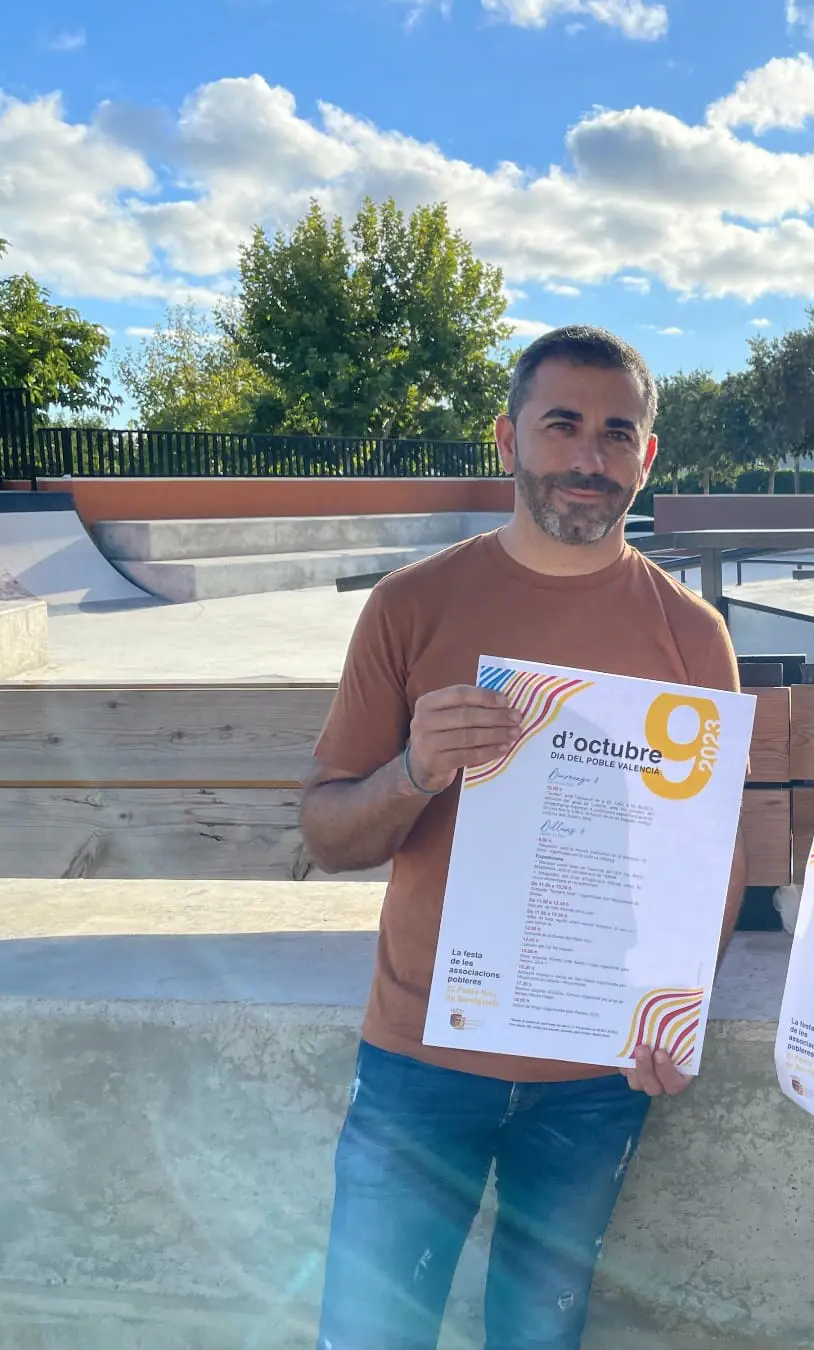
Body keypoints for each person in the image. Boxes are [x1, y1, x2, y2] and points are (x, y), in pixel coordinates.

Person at [301, 325, 747, 1350]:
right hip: (421, 1058)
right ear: (507, 438)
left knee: (540, 1338)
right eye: (562, 425)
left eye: (616, 433)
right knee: (368, 1333)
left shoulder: (692, 634)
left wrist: (678, 1004)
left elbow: (711, 852)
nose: (589, 457)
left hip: (595, 1078)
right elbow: (327, 834)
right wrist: (415, 772)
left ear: (647, 457)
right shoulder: (411, 606)